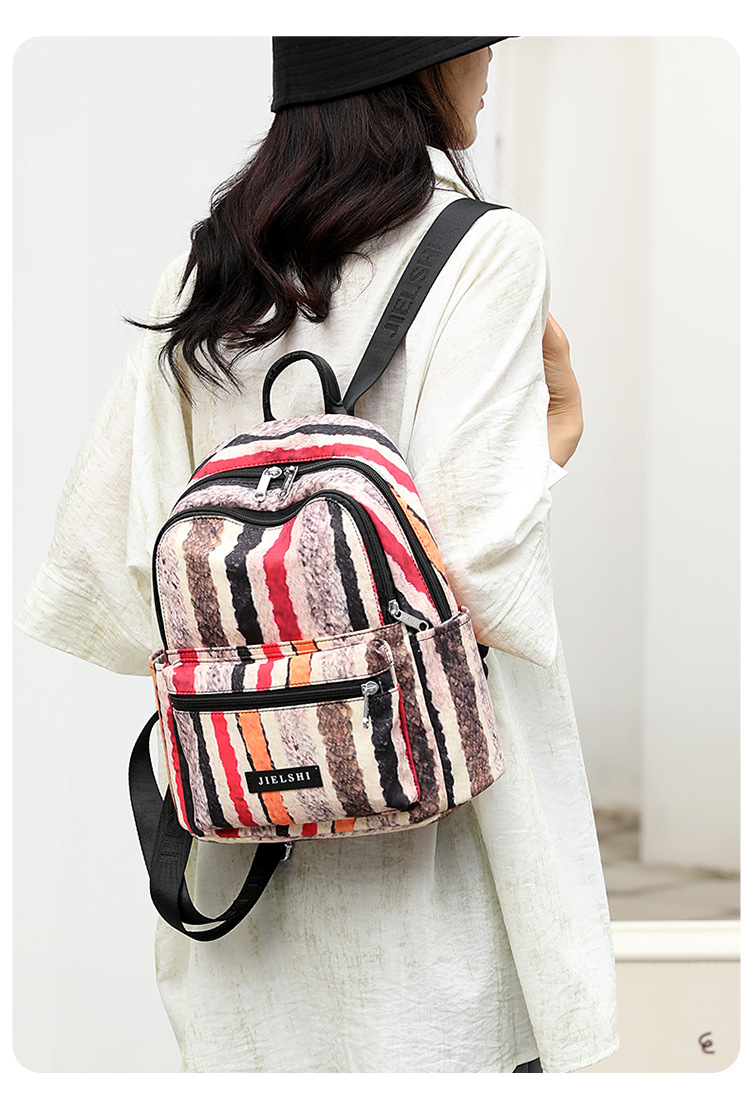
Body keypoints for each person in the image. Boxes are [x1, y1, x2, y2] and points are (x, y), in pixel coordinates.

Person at [17, 37, 618, 1073]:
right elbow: (477, 565)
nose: (490, 62)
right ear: (415, 66)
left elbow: (116, 573)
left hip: (245, 874)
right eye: (474, 40)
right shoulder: (485, 251)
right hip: (438, 880)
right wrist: (556, 440)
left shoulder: (211, 271)